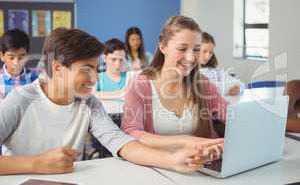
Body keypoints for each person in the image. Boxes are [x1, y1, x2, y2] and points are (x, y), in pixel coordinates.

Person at [0, 28, 223, 175]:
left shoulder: (89, 103)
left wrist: (173, 160)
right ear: (58, 68)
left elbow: (121, 143)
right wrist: (35, 164)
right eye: (86, 70)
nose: (95, 79)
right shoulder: (20, 100)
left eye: (96, 69)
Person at [121, 16, 227, 151]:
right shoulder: (140, 85)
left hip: (198, 166)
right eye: (182, 49)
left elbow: (231, 115)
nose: (190, 58)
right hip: (156, 166)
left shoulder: (203, 84)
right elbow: (131, 132)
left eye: (196, 49)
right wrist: (184, 141)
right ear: (163, 46)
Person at [0, 29, 39, 99]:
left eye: (21, 57)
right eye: (11, 58)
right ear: (2, 56)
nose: (16, 63)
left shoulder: (35, 78)